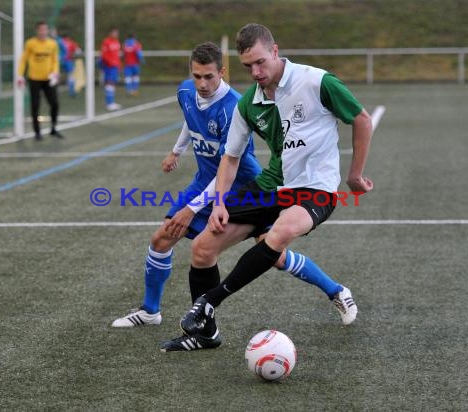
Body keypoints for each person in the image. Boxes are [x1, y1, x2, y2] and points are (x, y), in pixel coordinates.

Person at [112, 43, 356, 353]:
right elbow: (192, 119)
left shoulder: (235, 107)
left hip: (242, 184)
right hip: (209, 180)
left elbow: (233, 159)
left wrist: (195, 206)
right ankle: (167, 316)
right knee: (173, 241)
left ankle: (336, 291)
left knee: (274, 253)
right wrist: (177, 150)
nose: (202, 84)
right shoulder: (187, 93)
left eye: (208, 77)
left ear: (221, 73)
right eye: (197, 76)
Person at [165, 23, 372, 351]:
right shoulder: (248, 103)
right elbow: (230, 158)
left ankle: (209, 302)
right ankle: (205, 333)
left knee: (280, 234)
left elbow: (361, 119)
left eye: (261, 62)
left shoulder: (316, 81)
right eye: (248, 66)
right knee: (202, 248)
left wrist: (354, 175)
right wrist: (219, 203)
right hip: (269, 186)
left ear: (275, 51)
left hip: (315, 188)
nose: (256, 72)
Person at [17, 21, 63, 140]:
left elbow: (55, 60)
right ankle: (37, 132)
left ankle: (53, 128)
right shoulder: (30, 43)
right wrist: (20, 75)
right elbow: (23, 60)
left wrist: (55, 73)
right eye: (40, 30)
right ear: (37, 31)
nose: (43, 32)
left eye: (45, 29)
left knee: (55, 104)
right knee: (35, 105)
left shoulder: (53, 44)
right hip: (34, 79)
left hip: (48, 79)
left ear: (47, 31)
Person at [100, 28, 122, 111]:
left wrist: (118, 65)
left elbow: (117, 55)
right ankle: (109, 103)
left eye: (117, 33)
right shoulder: (106, 42)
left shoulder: (117, 42)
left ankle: (112, 102)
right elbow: (104, 55)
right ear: (110, 33)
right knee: (109, 83)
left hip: (115, 66)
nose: (116, 34)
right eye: (114, 33)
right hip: (109, 66)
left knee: (113, 84)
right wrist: (109, 63)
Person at [61, 32, 81, 97]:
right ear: (67, 37)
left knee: (57, 75)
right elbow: (78, 51)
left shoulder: (59, 42)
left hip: (59, 61)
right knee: (71, 75)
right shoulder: (70, 43)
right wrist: (74, 55)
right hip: (68, 61)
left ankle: (53, 90)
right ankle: (71, 91)